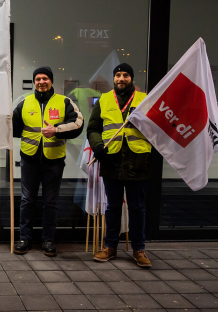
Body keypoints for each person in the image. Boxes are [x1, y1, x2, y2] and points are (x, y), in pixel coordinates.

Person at [12, 66, 83, 256]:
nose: (41, 82)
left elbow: (78, 123)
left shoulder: (64, 101)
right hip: (29, 160)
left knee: (50, 202)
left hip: (54, 161)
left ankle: (48, 240)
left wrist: (57, 129)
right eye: (38, 79)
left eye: (45, 79)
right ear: (34, 82)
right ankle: (24, 238)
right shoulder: (24, 103)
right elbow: (14, 127)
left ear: (51, 81)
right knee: (27, 200)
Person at [87, 63, 152, 268]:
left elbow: (157, 129)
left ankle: (139, 249)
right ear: (113, 78)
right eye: (117, 75)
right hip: (111, 158)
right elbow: (93, 128)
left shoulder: (145, 100)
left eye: (125, 75)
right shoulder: (104, 99)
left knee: (137, 208)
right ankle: (110, 247)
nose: (121, 79)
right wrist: (97, 145)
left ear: (131, 78)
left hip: (138, 160)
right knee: (113, 207)